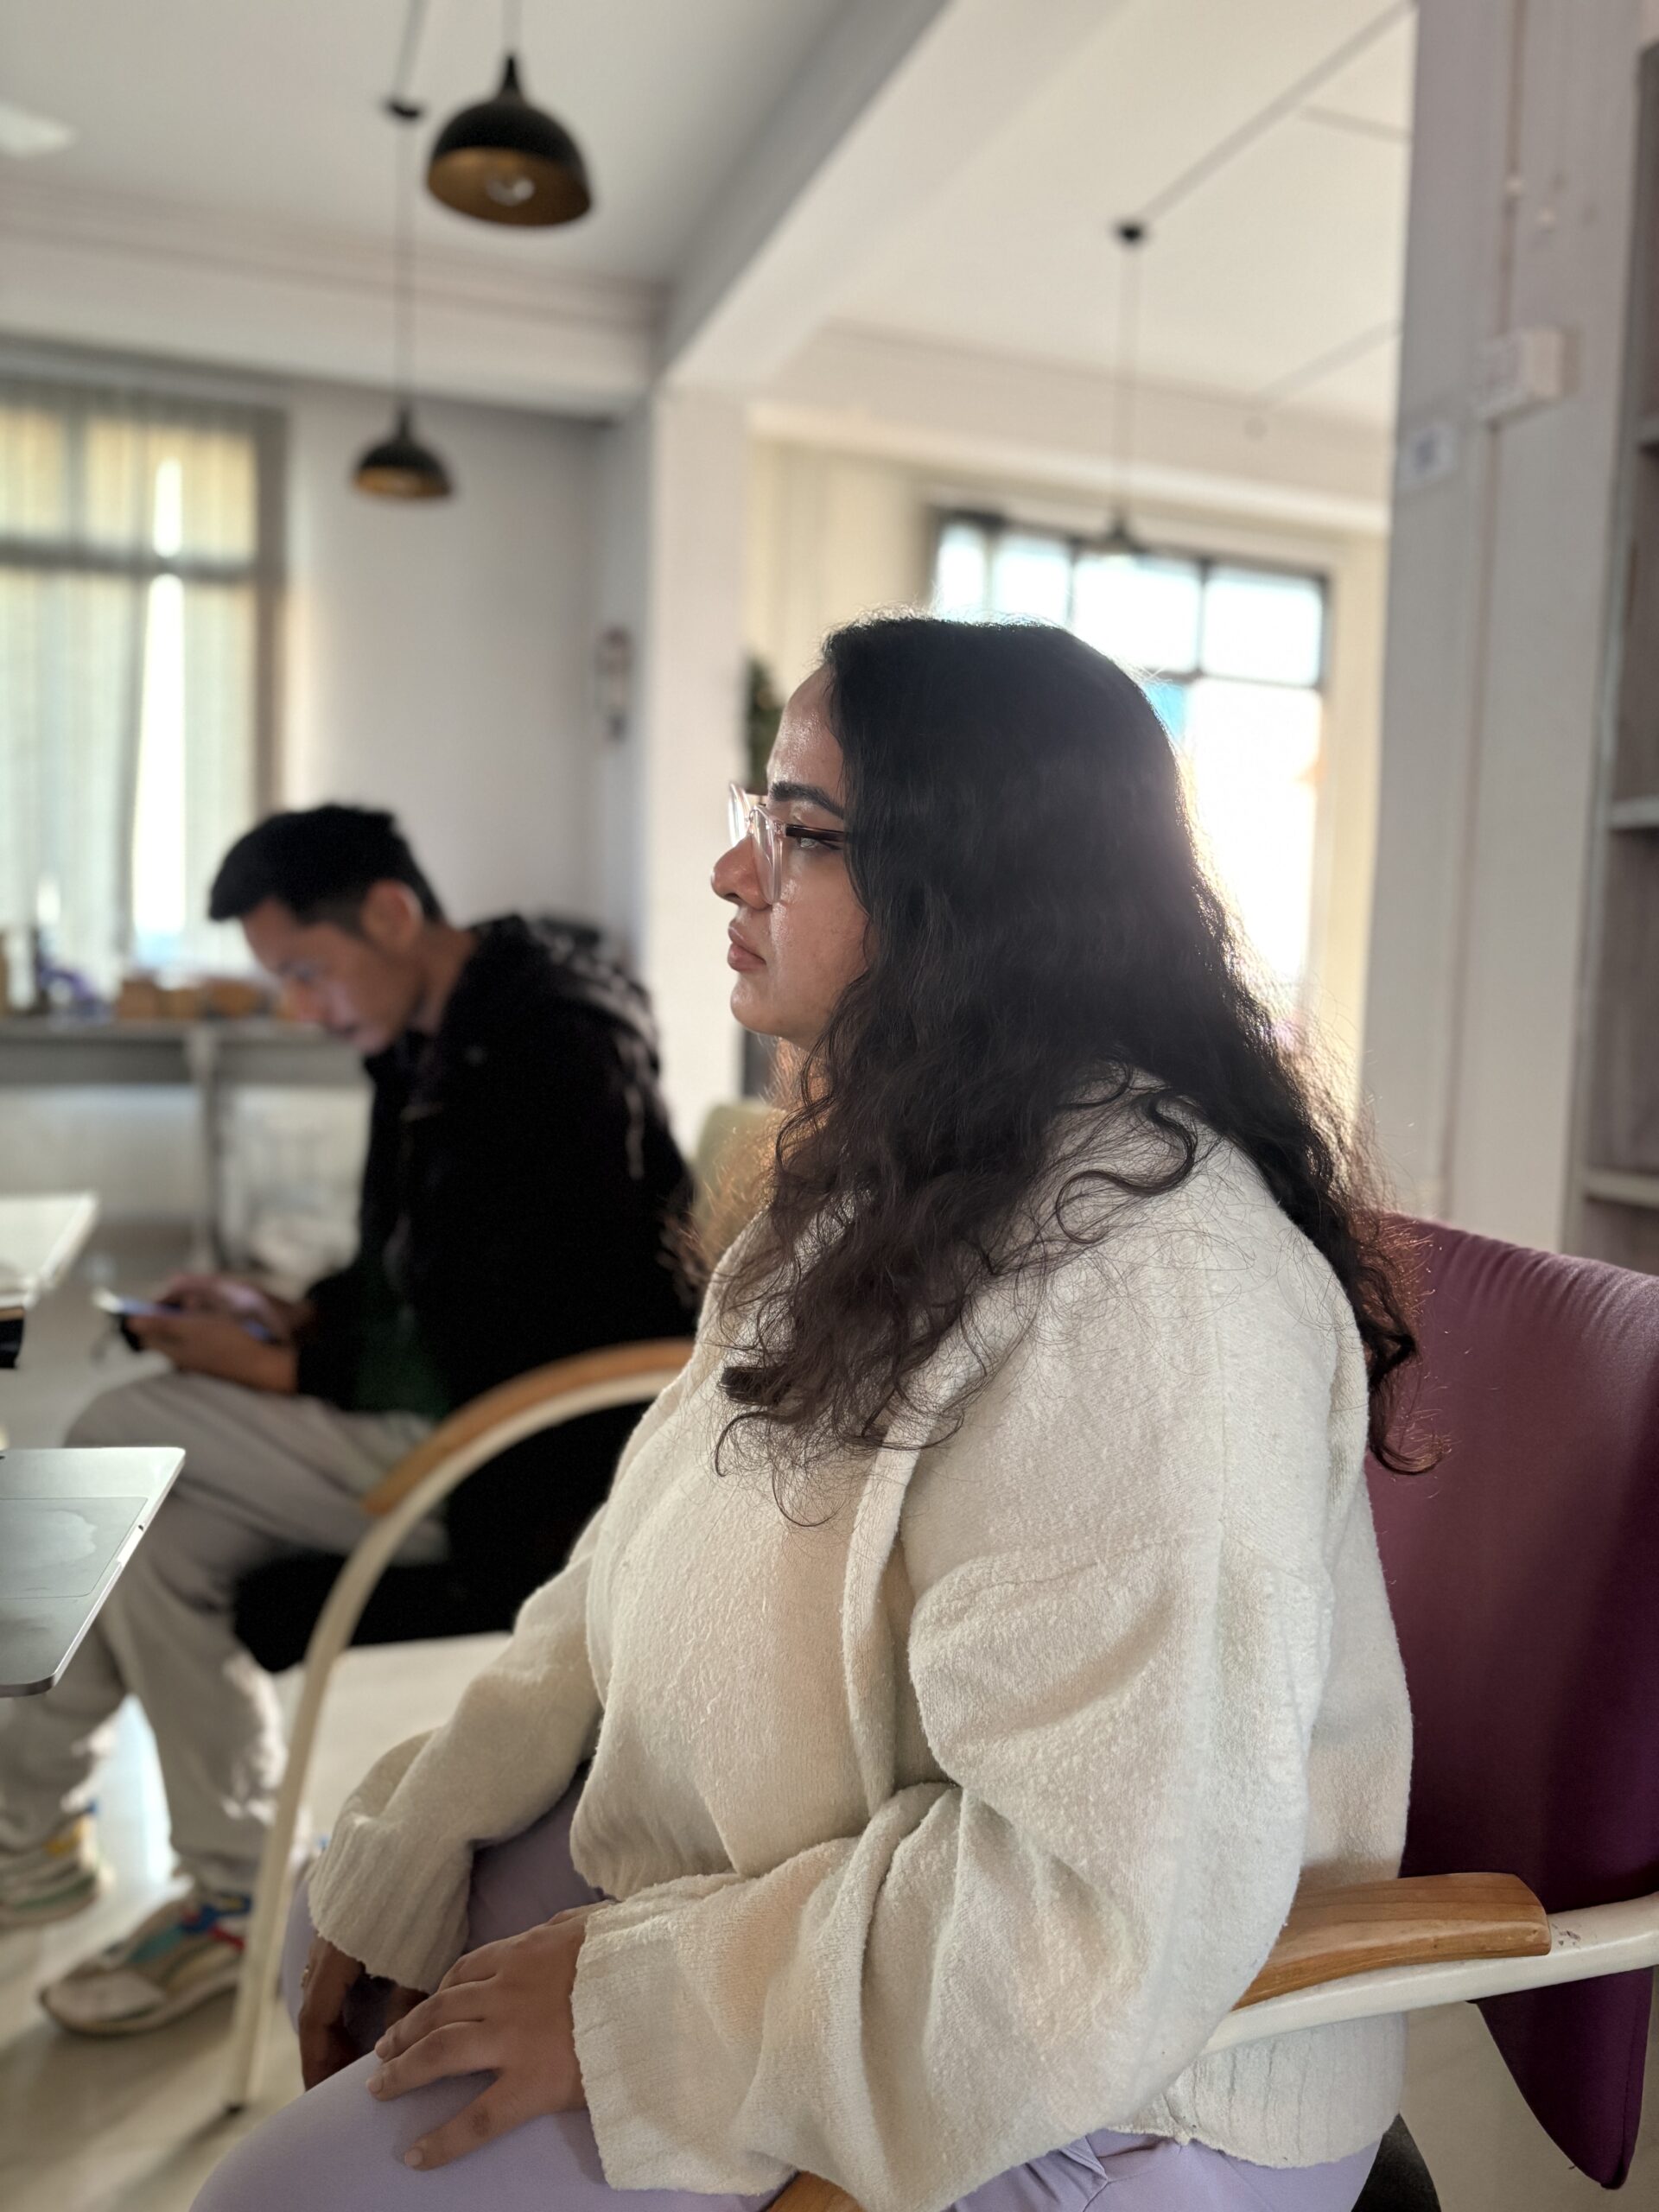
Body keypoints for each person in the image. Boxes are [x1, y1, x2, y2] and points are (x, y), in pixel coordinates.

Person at [194, 621, 1419, 2212]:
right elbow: (633, 1554)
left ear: (979, 889)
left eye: (800, 830)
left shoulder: (1156, 1294)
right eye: (757, 813)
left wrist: (639, 2008)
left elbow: (1092, 1917)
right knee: (350, 1913)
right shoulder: (887, 1179)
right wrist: (434, 1814)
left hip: (1115, 2082)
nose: (732, 872)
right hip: (854, 1852)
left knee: (282, 2200)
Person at [0, 804, 695, 2035]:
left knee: (117, 1430)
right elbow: (415, 1276)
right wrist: (293, 1315)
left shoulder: (548, 1051)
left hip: (516, 1462)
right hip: (455, 1419)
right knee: (162, 1537)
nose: (304, 1008)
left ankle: (19, 1815)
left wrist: (289, 1371)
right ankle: (229, 1894)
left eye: (309, 972)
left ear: (390, 912)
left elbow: (521, 1326)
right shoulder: (434, 1037)